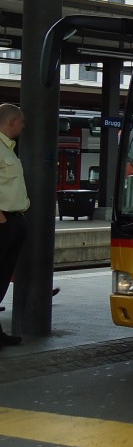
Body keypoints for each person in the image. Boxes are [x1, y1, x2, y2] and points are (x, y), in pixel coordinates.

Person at [0, 103, 29, 347]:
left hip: (13, 219)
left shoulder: (8, 149)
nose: (23, 126)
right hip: (3, 221)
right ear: (12, 122)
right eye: (21, 121)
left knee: (1, 277)